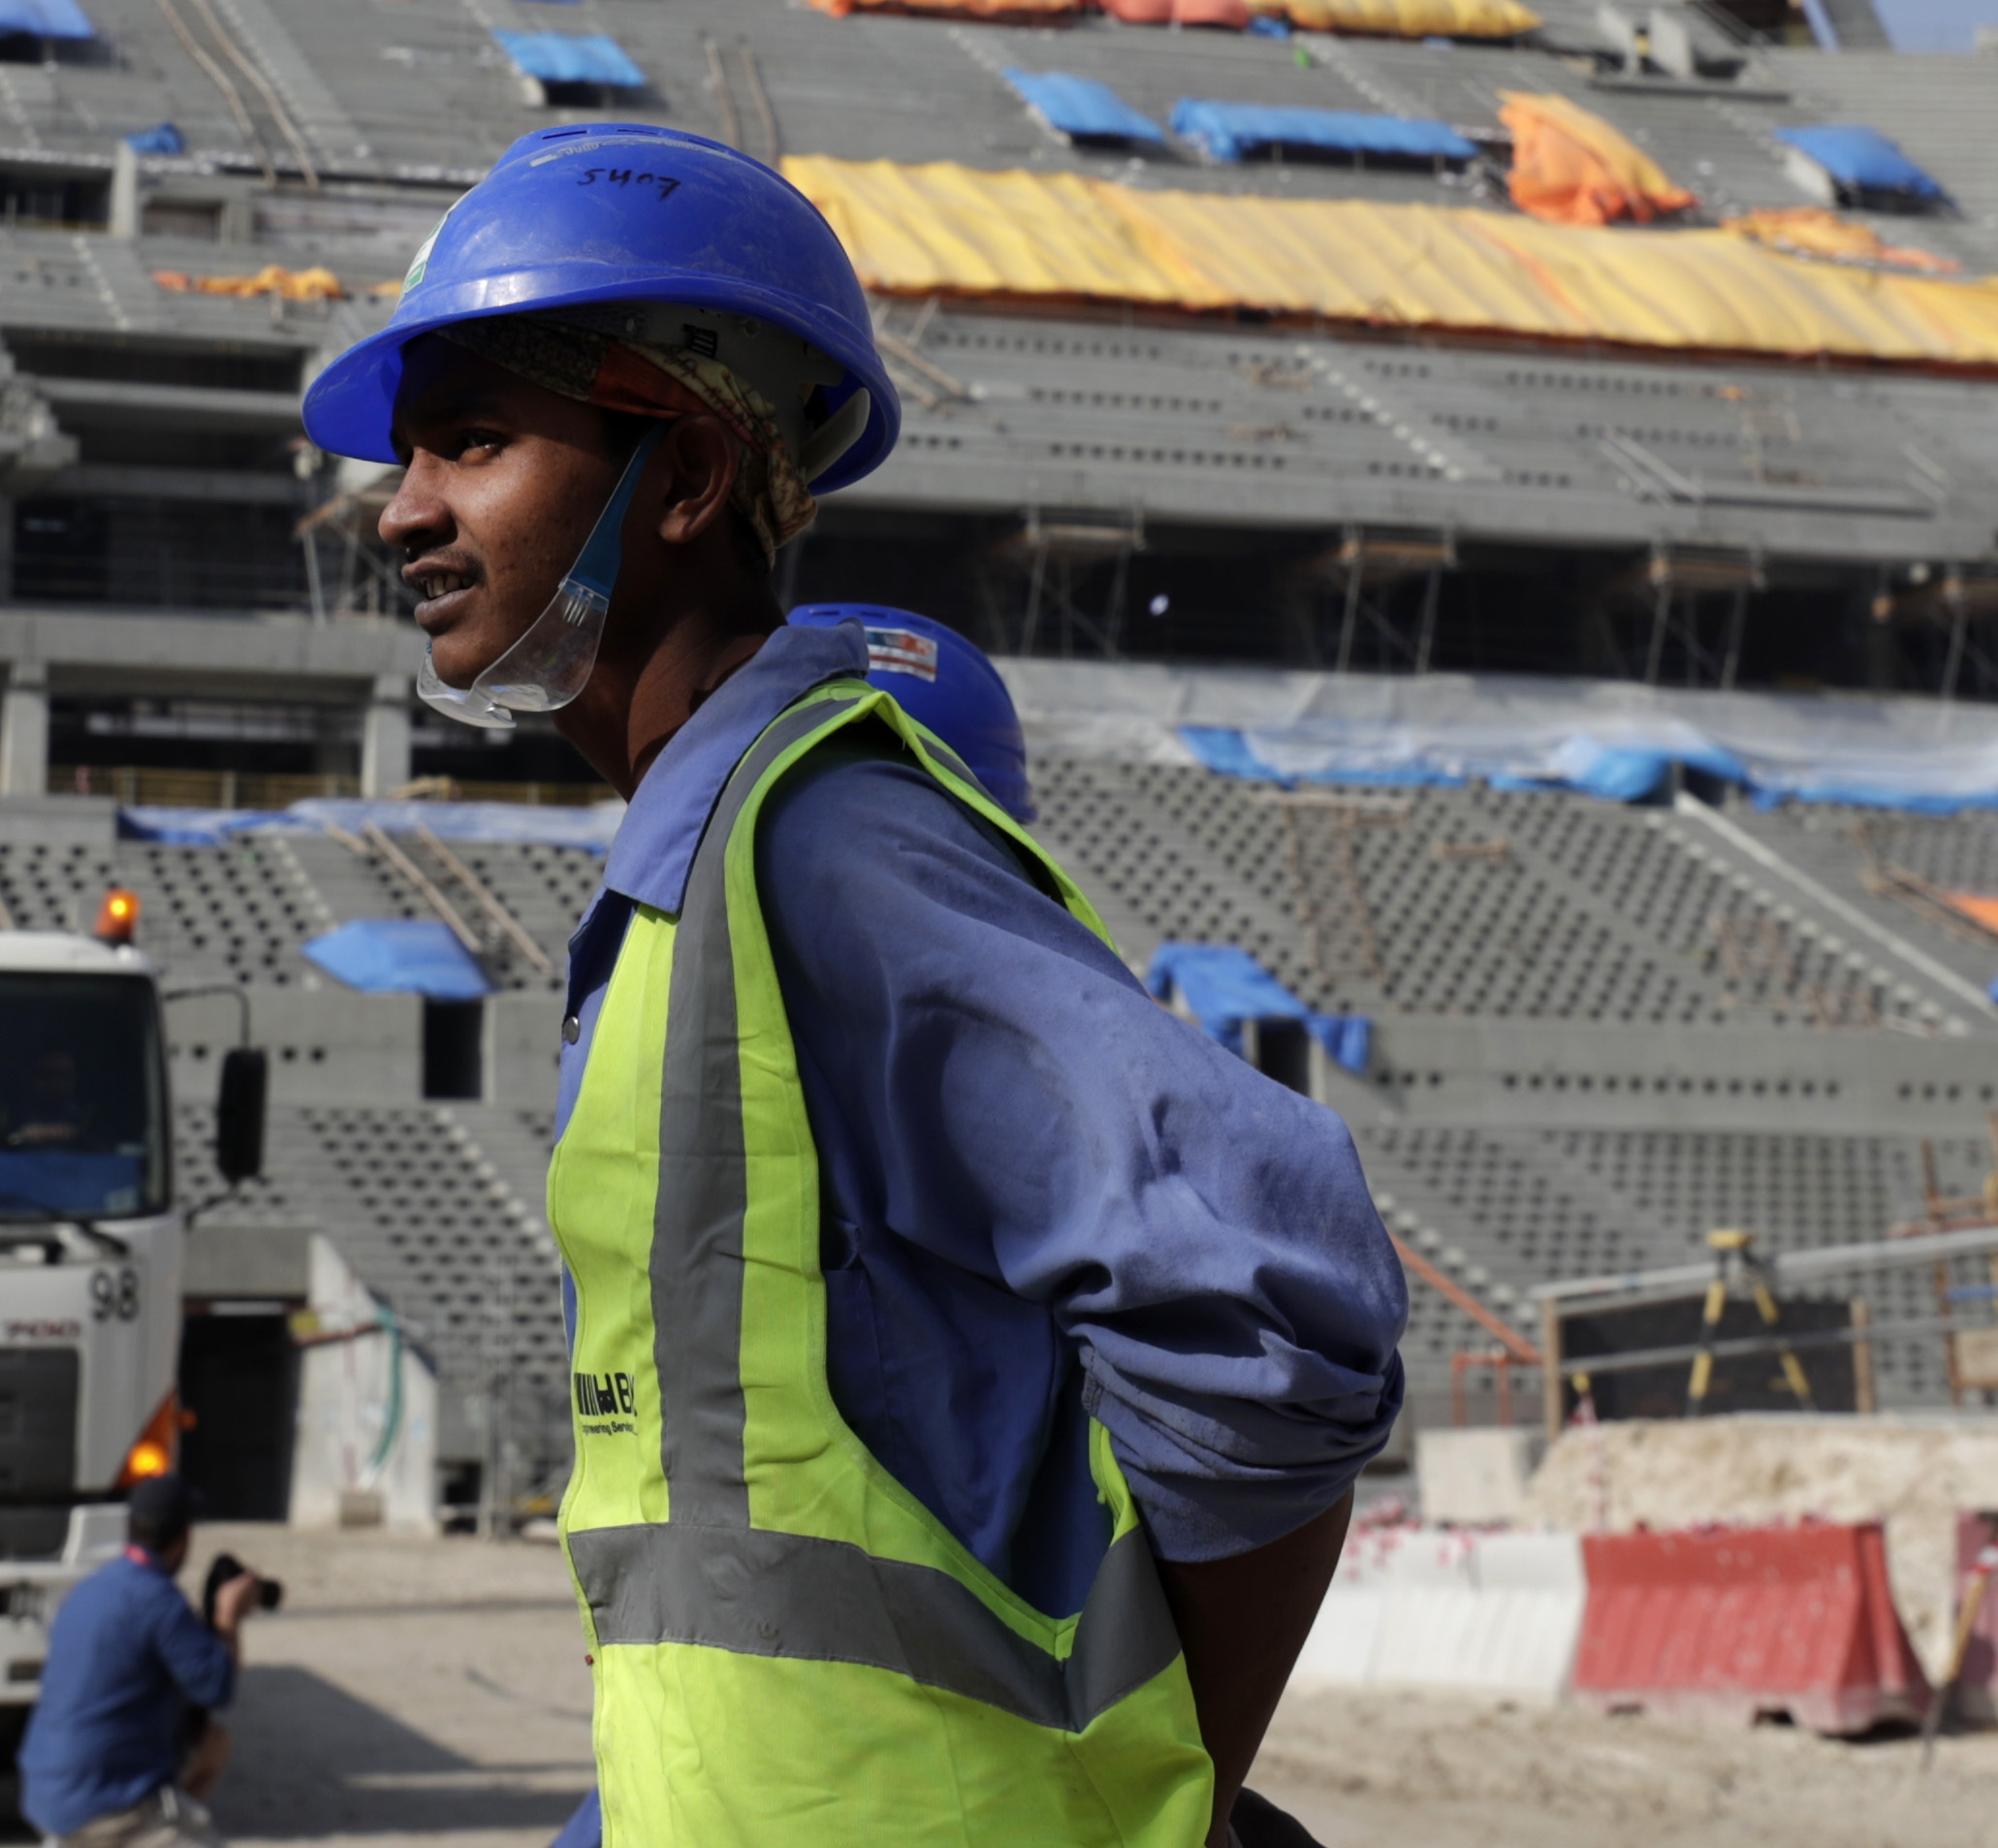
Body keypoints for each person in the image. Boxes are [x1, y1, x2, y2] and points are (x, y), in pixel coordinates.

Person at [304, 122, 1406, 1848]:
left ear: (678, 482)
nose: (403, 505)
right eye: (408, 452)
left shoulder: (820, 844)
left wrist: (1172, 1784)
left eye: (473, 439)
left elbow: (1274, 1282)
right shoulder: (700, 870)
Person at [18, 1483, 262, 1845]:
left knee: (213, 1744)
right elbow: (218, 1689)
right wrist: (227, 1618)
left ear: (126, 1529)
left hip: (45, 1791)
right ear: (184, 1539)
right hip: (105, 1807)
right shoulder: (160, 1601)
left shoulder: (90, 1588)